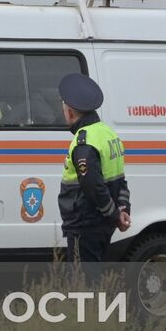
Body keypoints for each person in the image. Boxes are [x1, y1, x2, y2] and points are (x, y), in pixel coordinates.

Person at [57, 73, 132, 263]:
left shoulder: (84, 142)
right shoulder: (108, 133)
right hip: (101, 225)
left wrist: (114, 215)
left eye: (64, 109)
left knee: (84, 284)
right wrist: (123, 209)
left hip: (85, 224)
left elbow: (94, 187)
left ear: (70, 112)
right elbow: (120, 179)